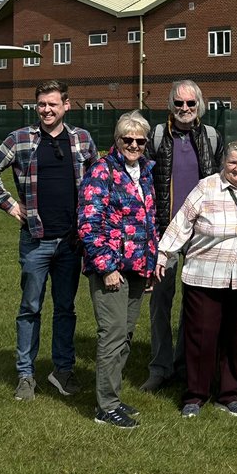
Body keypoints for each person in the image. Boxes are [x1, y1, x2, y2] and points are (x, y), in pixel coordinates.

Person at [0, 80, 98, 401]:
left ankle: (62, 371)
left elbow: (97, 183)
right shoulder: (20, 140)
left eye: (53, 104)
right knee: (30, 307)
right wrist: (10, 205)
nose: (46, 110)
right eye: (42, 104)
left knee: (65, 308)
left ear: (66, 106)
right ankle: (25, 375)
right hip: (36, 240)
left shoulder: (82, 141)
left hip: (71, 242)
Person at [154, 140, 237, 417]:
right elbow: (182, 222)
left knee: (235, 337)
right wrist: (164, 254)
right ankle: (195, 395)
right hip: (205, 274)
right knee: (201, 338)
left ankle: (229, 394)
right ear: (223, 164)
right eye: (232, 162)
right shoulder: (206, 187)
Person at [142, 79, 223, 393]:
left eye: (191, 104)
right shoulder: (157, 136)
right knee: (160, 302)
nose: (185, 109)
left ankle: (185, 364)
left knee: (196, 303)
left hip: (201, 234)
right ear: (170, 106)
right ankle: (160, 367)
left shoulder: (212, 137)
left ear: (199, 105)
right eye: (179, 104)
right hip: (164, 232)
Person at [78, 112, 158, 429]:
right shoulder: (101, 171)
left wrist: (149, 267)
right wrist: (107, 267)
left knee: (124, 335)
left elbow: (149, 223)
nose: (134, 145)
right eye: (128, 139)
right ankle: (105, 407)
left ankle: (112, 396)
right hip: (111, 269)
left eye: (140, 140)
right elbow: (88, 224)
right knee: (111, 336)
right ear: (117, 140)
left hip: (138, 268)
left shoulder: (146, 172)